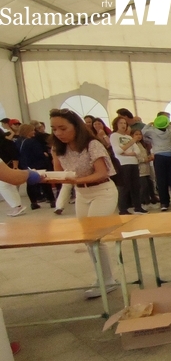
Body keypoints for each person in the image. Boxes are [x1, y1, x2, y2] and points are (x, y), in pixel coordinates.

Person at [49, 108, 120, 297]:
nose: (58, 133)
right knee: (87, 239)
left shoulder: (92, 144)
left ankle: (107, 280)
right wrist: (44, 175)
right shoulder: (58, 147)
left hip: (102, 191)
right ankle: (103, 277)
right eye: (54, 129)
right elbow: (59, 173)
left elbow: (101, 173)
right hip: (81, 193)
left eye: (63, 128)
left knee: (94, 236)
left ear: (76, 126)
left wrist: (75, 180)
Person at [111, 117, 148, 215]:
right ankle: (123, 209)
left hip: (133, 163)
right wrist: (130, 144)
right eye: (121, 123)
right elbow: (117, 151)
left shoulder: (129, 137)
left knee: (136, 186)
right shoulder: (114, 136)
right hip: (123, 164)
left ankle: (138, 207)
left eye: (124, 123)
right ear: (116, 124)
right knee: (124, 187)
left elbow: (137, 151)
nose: (123, 125)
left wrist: (127, 152)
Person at [143, 114, 171, 211]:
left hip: (159, 157)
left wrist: (150, 124)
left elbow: (143, 132)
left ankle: (164, 203)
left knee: (161, 180)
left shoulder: (152, 132)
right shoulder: (170, 132)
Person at [17, 124, 55, 209]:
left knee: (30, 184)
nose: (34, 132)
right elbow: (38, 153)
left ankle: (33, 202)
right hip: (38, 164)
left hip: (26, 165)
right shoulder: (32, 142)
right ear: (27, 131)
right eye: (32, 130)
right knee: (45, 183)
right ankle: (51, 200)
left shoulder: (18, 141)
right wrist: (45, 155)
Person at [0, 132, 26, 216]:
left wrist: (15, 167)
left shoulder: (7, 143)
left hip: (9, 166)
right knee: (9, 187)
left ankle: (17, 206)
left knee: (4, 186)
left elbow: (15, 156)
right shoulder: (7, 142)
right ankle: (17, 206)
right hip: (6, 167)